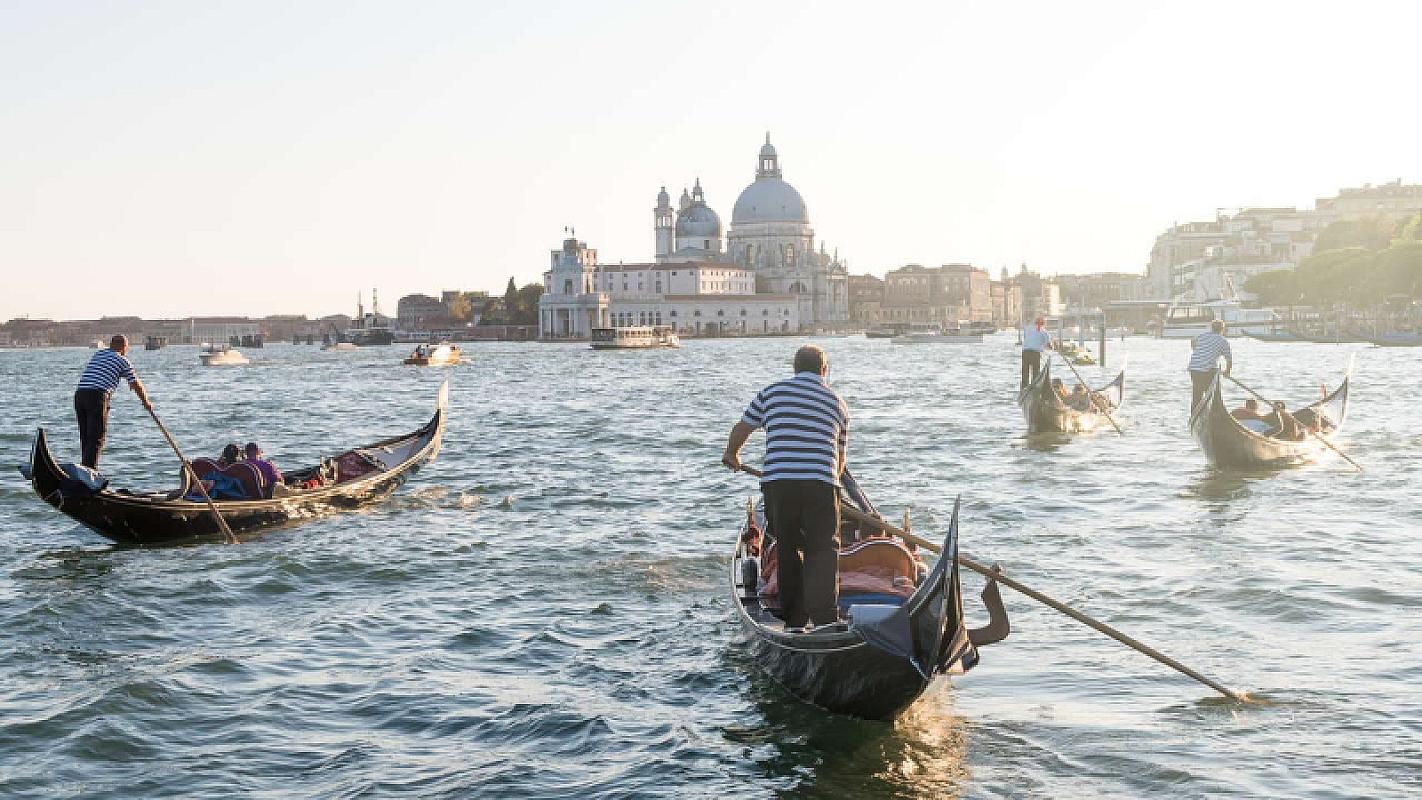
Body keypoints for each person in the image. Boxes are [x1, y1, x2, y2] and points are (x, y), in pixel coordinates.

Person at [723, 344, 848, 633]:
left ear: (795, 368)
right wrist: (833, 487)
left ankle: (794, 622)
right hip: (822, 483)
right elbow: (840, 459)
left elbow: (743, 427)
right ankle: (826, 619)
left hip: (780, 482)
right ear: (824, 370)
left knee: (788, 548)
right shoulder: (837, 402)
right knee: (823, 549)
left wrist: (732, 455)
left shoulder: (771, 393)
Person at [73, 334, 152, 469]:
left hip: (80, 394)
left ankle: (85, 468)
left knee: (86, 436)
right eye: (126, 348)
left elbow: (104, 371)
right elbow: (136, 383)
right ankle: (89, 472)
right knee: (96, 437)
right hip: (97, 395)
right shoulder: (122, 360)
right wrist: (146, 402)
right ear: (123, 347)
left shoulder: (98, 354)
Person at [1188, 319, 1233, 411]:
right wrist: (1227, 372)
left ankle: (1195, 414)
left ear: (1211, 328)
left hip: (1194, 367)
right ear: (1222, 329)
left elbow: (1193, 341)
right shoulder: (1223, 341)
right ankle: (1213, 411)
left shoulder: (1202, 336)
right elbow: (1229, 360)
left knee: (1197, 395)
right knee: (1213, 395)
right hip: (1207, 370)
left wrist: (1196, 350)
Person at [1021, 317, 1053, 389]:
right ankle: (1034, 388)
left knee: (1025, 372)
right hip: (1035, 353)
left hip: (1025, 352)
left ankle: (1023, 388)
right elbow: (1049, 346)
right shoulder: (1044, 332)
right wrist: (1053, 347)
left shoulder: (1028, 329)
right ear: (1043, 324)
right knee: (1035, 372)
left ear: (1035, 323)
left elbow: (1027, 338)